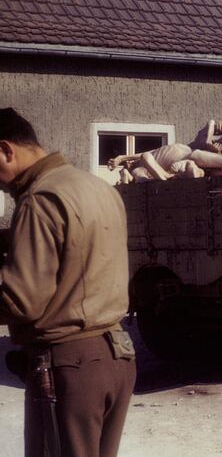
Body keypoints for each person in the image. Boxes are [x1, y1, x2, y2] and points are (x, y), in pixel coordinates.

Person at [0, 108, 135, 457]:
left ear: (5, 150)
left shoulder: (39, 200)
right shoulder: (94, 186)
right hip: (116, 356)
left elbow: (20, 300)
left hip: (69, 367)